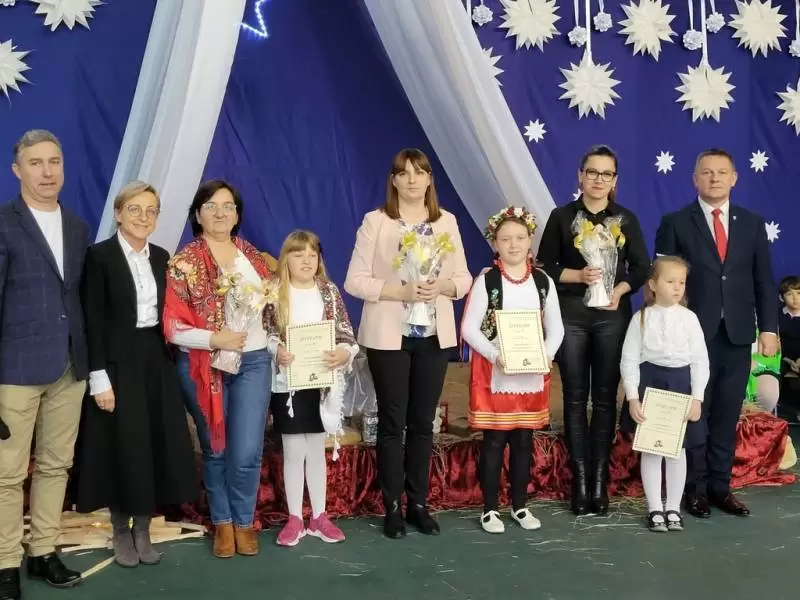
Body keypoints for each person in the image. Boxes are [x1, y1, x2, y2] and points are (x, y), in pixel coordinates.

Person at [344, 148, 472, 539]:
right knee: (392, 422)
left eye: (420, 172)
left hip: (433, 336)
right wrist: (399, 291)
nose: (413, 179)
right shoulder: (377, 221)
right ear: (394, 180)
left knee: (422, 423)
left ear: (430, 178)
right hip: (390, 337)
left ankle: (419, 503)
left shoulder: (446, 221)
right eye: (404, 173)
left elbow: (464, 278)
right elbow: (354, 280)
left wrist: (443, 286)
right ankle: (393, 507)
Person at [76, 181, 198, 567]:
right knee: (123, 446)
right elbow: (92, 321)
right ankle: (119, 530)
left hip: (155, 361)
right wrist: (99, 377)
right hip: (117, 363)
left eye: (151, 211)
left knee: (152, 445)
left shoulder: (162, 257)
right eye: (134, 209)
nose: (143, 217)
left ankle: (142, 529)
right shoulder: (99, 257)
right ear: (118, 213)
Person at [654, 148, 779, 518]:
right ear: (695, 178)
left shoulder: (752, 224)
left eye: (722, 172)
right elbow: (662, 283)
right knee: (695, 414)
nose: (714, 178)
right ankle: (693, 490)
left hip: (737, 335)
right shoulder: (675, 222)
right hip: (691, 337)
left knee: (726, 413)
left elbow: (763, 281)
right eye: (706, 172)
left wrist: (768, 328)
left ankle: (720, 488)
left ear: (734, 178)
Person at [0, 130, 90, 598]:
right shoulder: (3, 223)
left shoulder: (77, 226)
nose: (47, 171)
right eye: (35, 163)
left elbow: (77, 299)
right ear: (17, 170)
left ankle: (43, 552)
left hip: (69, 367)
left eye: (54, 161)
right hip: (14, 370)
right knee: (6, 474)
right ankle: (5, 561)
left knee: (56, 466)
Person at [537, 145, 650, 516]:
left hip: (611, 316)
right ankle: (580, 481)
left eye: (607, 174)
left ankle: (599, 482)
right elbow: (545, 266)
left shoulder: (626, 219)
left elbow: (642, 268)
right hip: (571, 314)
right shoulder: (561, 216)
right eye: (592, 172)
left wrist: (620, 289)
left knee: (604, 399)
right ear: (580, 176)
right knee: (573, 397)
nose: (599, 180)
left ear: (614, 180)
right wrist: (579, 275)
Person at [164, 180, 273, 558]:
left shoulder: (254, 258)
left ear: (237, 214)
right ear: (198, 214)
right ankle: (223, 523)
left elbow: (272, 312)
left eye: (228, 206)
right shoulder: (183, 263)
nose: (220, 213)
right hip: (204, 365)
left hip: (254, 362)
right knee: (215, 448)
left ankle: (244, 521)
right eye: (211, 206)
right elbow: (172, 327)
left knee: (248, 451)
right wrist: (215, 339)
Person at [461, 207, 564, 534]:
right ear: (495, 243)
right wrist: (496, 355)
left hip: (531, 377)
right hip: (497, 375)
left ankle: (520, 505)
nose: (514, 244)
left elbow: (556, 328)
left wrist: (546, 355)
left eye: (520, 238)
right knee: (494, 442)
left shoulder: (543, 282)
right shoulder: (487, 281)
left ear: (530, 240)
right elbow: (469, 329)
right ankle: (490, 509)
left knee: (523, 442)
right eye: (505, 239)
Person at [265, 230, 359, 547]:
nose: (306, 260)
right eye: (298, 254)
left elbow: (345, 333)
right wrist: (277, 350)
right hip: (288, 385)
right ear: (286, 259)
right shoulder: (275, 291)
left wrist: (344, 353)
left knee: (316, 451)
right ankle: (295, 517)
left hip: (321, 383)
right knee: (293, 451)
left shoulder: (328, 291)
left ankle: (319, 516)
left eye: (312, 255)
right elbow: (267, 333)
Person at [619, 256, 708, 532]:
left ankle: (673, 508)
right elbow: (629, 360)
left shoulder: (690, 319)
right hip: (650, 385)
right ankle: (655, 508)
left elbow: (700, 361)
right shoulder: (641, 318)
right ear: (653, 284)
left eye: (682, 282)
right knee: (652, 448)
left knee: (676, 450)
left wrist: (697, 397)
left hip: (681, 386)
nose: (677, 287)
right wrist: (633, 397)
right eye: (670, 281)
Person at [777, 276, 800, 422]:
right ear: (782, 297)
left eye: (798, 293)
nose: (795, 298)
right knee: (775, 371)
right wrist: (788, 360)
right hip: (783, 356)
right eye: (789, 294)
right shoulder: (777, 315)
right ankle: (783, 410)